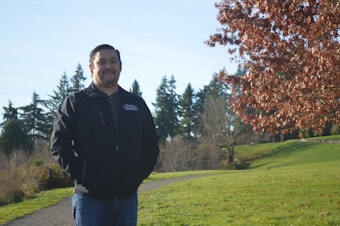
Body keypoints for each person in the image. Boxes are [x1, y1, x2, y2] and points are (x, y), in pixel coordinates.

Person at [50, 44, 160, 226]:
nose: (108, 66)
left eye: (113, 61)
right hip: (90, 201)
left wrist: (137, 175)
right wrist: (82, 175)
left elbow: (150, 143)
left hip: (127, 200)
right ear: (91, 67)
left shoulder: (136, 103)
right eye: (102, 62)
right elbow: (58, 144)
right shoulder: (76, 102)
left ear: (120, 66)